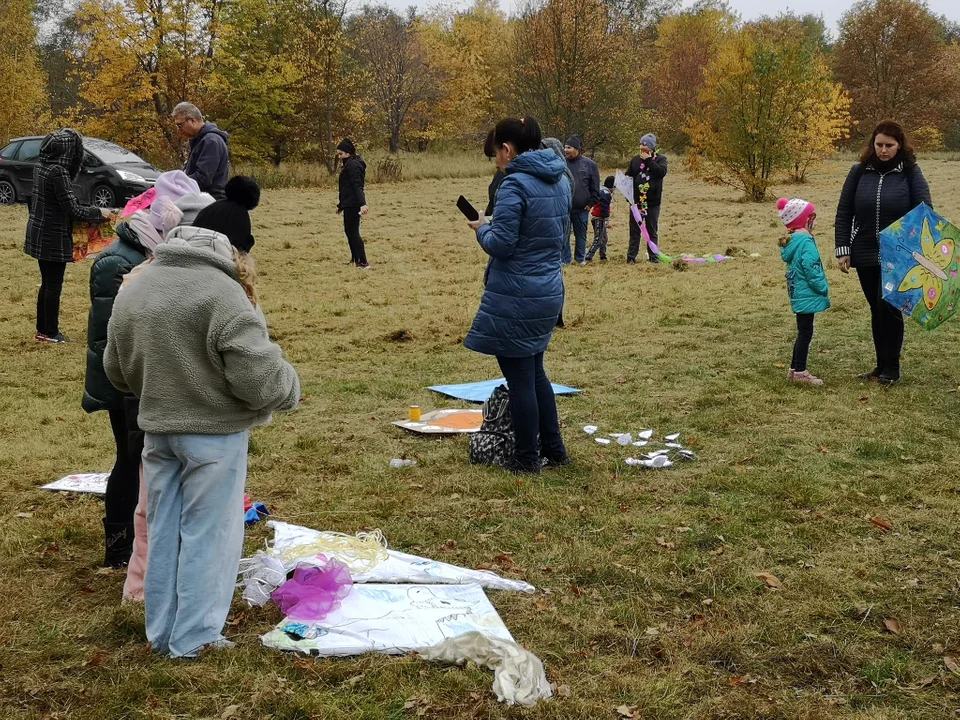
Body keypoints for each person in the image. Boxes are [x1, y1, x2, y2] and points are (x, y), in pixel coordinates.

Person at [104, 176, 301, 658]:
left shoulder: (138, 284)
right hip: (214, 437)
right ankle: (194, 638)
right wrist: (289, 389)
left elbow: (116, 369)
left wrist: (161, 386)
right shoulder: (224, 293)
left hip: (158, 432)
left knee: (164, 532)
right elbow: (261, 380)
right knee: (210, 539)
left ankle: (163, 632)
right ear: (235, 249)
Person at [82, 171, 206, 567]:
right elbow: (110, 336)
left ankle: (155, 539)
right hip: (123, 380)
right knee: (129, 458)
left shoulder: (163, 253)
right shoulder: (118, 260)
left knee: (149, 460)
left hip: (150, 377)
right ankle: (119, 544)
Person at [464, 116, 571, 475]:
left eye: (496, 153)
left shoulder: (514, 185)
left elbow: (503, 244)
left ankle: (527, 459)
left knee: (520, 378)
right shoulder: (560, 180)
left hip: (519, 293)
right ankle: (554, 450)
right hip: (549, 289)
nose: (496, 160)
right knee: (535, 373)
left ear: (507, 150)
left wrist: (482, 228)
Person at [835, 120, 931, 385]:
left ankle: (892, 368)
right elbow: (844, 213)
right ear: (872, 144)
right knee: (875, 309)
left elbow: (924, 212)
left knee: (887, 306)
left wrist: (916, 251)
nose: (883, 150)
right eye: (879, 144)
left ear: (899, 145)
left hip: (898, 254)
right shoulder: (858, 172)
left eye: (889, 145)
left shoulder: (911, 172)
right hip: (864, 250)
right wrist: (843, 250)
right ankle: (879, 366)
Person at [24, 128, 110, 343]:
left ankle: (43, 330)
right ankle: (50, 333)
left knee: (47, 283)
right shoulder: (58, 172)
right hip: (52, 233)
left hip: (39, 230)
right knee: (53, 285)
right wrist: (100, 213)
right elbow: (72, 209)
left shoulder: (41, 167)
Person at [778, 197, 830, 386]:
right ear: (804, 220)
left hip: (797, 292)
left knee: (803, 330)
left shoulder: (794, 241)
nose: (814, 221)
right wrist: (822, 288)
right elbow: (811, 267)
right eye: (812, 217)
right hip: (807, 292)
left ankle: (794, 369)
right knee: (805, 332)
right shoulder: (806, 241)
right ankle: (800, 371)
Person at [172, 102, 230, 200]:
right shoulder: (200, 141)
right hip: (201, 200)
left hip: (210, 203)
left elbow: (203, 178)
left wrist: (175, 183)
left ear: (192, 120)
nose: (179, 130)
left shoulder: (210, 141)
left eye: (180, 125)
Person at [626, 133, 668, 264]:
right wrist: (627, 192)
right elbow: (629, 176)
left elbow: (661, 173)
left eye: (645, 145)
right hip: (637, 203)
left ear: (652, 147)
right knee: (634, 231)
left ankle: (653, 257)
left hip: (652, 202)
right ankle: (631, 257)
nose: (642, 148)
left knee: (651, 230)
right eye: (641, 145)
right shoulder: (635, 160)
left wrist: (649, 161)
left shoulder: (660, 159)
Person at [563, 136, 600, 264]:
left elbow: (595, 187)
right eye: (565, 147)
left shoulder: (589, 165)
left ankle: (580, 259)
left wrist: (591, 203)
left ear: (577, 149)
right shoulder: (561, 164)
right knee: (564, 236)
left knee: (581, 235)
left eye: (569, 147)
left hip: (582, 209)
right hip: (565, 208)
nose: (566, 150)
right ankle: (565, 260)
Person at [335, 138, 370, 269]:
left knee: (353, 232)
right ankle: (355, 259)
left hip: (354, 203)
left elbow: (357, 186)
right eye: (338, 154)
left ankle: (363, 262)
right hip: (348, 203)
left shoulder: (353, 166)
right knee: (349, 231)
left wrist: (362, 203)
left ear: (348, 153)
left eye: (341, 154)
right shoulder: (349, 164)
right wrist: (341, 205)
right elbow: (346, 188)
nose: (339, 157)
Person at [584, 176, 615, 263]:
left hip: (599, 218)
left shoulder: (601, 190)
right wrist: (607, 220)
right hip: (599, 218)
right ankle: (588, 257)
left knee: (604, 238)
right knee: (598, 239)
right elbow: (604, 208)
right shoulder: (606, 194)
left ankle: (603, 256)